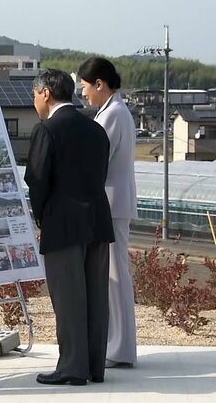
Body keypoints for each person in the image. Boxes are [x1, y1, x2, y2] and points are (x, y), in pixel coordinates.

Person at [25, 69, 115, 386]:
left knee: (68, 298)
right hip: (98, 220)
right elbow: (101, 174)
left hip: (63, 222)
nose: (34, 102)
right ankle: (94, 366)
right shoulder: (95, 129)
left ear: (46, 93)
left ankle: (72, 368)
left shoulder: (46, 130)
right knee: (95, 296)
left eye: (35, 95)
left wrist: (40, 216)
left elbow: (37, 180)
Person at [78, 57, 139, 369]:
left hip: (111, 205)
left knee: (115, 276)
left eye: (85, 87)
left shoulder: (113, 114)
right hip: (114, 203)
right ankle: (118, 345)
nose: (83, 93)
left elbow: (96, 159)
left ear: (99, 84)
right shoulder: (115, 110)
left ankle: (119, 348)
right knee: (114, 275)